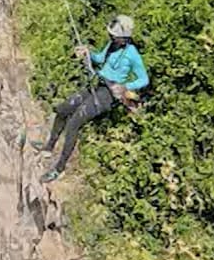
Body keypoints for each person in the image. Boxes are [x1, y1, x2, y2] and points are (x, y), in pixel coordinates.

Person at [37, 14, 148, 182]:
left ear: (124, 38)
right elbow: (100, 59)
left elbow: (144, 79)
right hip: (97, 84)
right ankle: (49, 146)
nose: (111, 37)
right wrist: (88, 52)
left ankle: (59, 169)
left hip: (108, 95)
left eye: (114, 36)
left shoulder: (132, 54)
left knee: (74, 123)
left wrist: (126, 87)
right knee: (63, 109)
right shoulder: (112, 45)